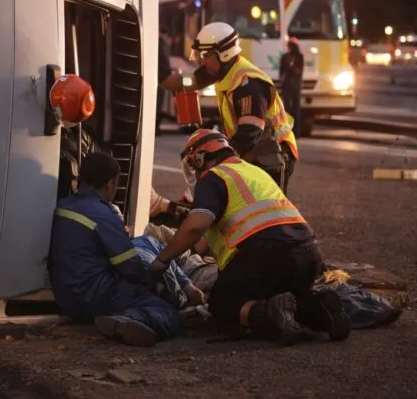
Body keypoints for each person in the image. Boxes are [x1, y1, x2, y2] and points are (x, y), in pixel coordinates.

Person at [147, 129, 350, 344]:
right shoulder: (253, 172)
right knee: (287, 299)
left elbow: (194, 228)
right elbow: (204, 242)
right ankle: (321, 309)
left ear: (199, 158)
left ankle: (269, 317)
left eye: (192, 164)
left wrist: (162, 260)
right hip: (308, 255)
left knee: (222, 301)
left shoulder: (213, 177)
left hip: (267, 253)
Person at [49, 152, 183, 347]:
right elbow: (129, 266)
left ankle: (119, 318)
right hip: (97, 296)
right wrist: (153, 286)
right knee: (167, 312)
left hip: (65, 297)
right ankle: (130, 319)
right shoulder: (102, 214)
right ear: (110, 184)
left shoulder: (63, 205)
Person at [159, 21, 299, 194]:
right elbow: (189, 82)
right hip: (254, 149)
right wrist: (161, 74)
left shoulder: (248, 83)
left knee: (264, 205)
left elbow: (250, 133)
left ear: (224, 54)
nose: (202, 61)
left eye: (205, 55)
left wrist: (219, 159)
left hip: (272, 153)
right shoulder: (219, 70)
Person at [279, 38, 305, 136]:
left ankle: (292, 131)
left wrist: (291, 67)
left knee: (290, 108)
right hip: (293, 85)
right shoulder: (297, 56)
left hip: (289, 85)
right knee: (292, 108)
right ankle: (293, 131)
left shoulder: (290, 57)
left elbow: (282, 71)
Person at [157, 26, 173, 131]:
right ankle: (156, 127)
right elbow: (163, 60)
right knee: (158, 104)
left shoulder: (157, 41)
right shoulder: (160, 42)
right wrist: (168, 73)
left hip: (157, 77)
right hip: (160, 79)